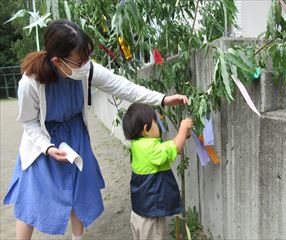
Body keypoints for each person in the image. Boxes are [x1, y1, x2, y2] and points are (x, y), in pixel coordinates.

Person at [3, 19, 189, 240]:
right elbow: (29, 123)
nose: (86, 64)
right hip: (43, 140)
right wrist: (47, 148)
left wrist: (163, 99)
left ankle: (78, 237)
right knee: (31, 195)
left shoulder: (83, 69)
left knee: (77, 189)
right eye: (79, 60)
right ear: (57, 60)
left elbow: (122, 86)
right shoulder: (30, 82)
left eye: (86, 58)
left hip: (75, 135)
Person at [122, 103, 193, 240]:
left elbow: (171, 148)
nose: (158, 124)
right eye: (156, 121)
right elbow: (174, 147)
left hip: (139, 212)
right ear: (146, 129)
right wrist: (183, 129)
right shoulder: (151, 149)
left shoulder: (137, 145)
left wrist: (182, 136)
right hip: (151, 217)